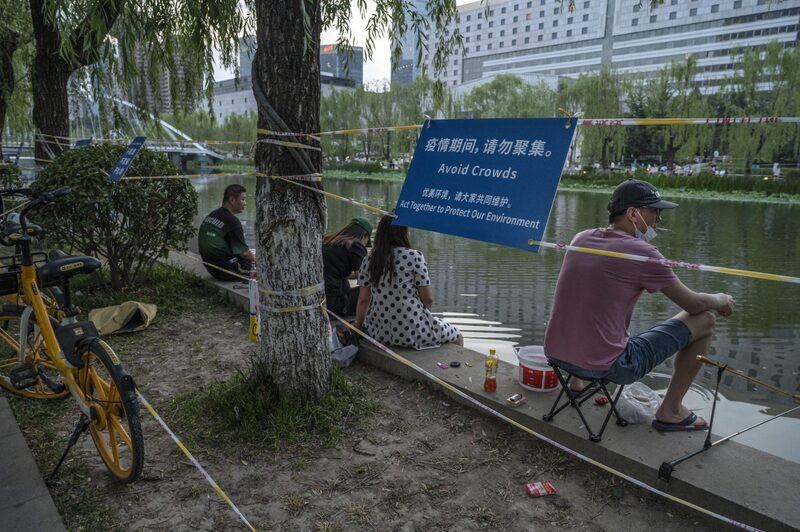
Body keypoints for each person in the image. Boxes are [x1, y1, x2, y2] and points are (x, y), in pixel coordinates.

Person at [544, 179, 735, 432]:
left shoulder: (581, 237)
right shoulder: (642, 253)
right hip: (609, 366)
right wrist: (722, 298)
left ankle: (577, 384)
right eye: (654, 212)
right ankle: (671, 411)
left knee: (590, 303)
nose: (658, 221)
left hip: (556, 353)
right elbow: (695, 303)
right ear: (633, 214)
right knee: (705, 320)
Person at [355, 214, 463, 349]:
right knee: (457, 335)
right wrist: (421, 321)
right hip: (411, 329)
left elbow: (363, 299)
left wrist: (358, 328)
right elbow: (428, 299)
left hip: (379, 331)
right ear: (403, 232)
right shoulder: (414, 256)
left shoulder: (369, 260)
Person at [198, 184, 255, 281]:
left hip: (211, 268)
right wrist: (257, 260)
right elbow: (244, 253)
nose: (245, 203)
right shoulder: (232, 222)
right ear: (232, 200)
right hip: (226, 271)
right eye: (243, 199)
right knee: (257, 264)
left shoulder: (213, 215)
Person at [323, 217, 372, 316]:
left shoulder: (329, 242)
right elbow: (365, 280)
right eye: (367, 241)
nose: (365, 244)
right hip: (335, 305)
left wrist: (352, 275)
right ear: (364, 236)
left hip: (322, 301)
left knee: (344, 282)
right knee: (373, 291)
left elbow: (333, 271)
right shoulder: (356, 246)